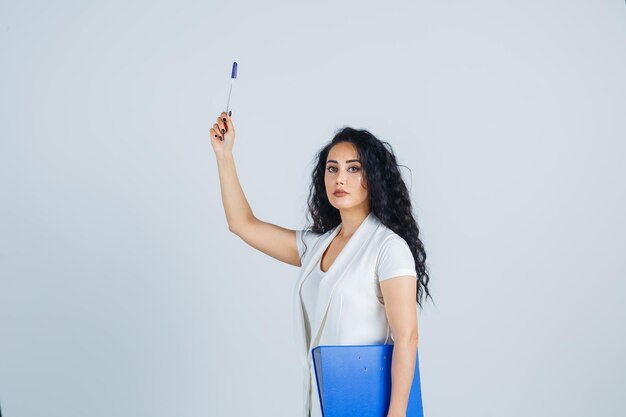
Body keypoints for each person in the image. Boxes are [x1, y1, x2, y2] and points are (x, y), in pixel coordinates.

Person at [210, 111, 432, 417]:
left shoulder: (388, 248)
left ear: (374, 178)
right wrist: (224, 156)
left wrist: (397, 414)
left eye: (353, 169)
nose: (340, 178)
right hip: (324, 402)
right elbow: (242, 224)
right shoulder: (317, 246)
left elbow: (407, 337)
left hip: (369, 403)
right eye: (332, 168)